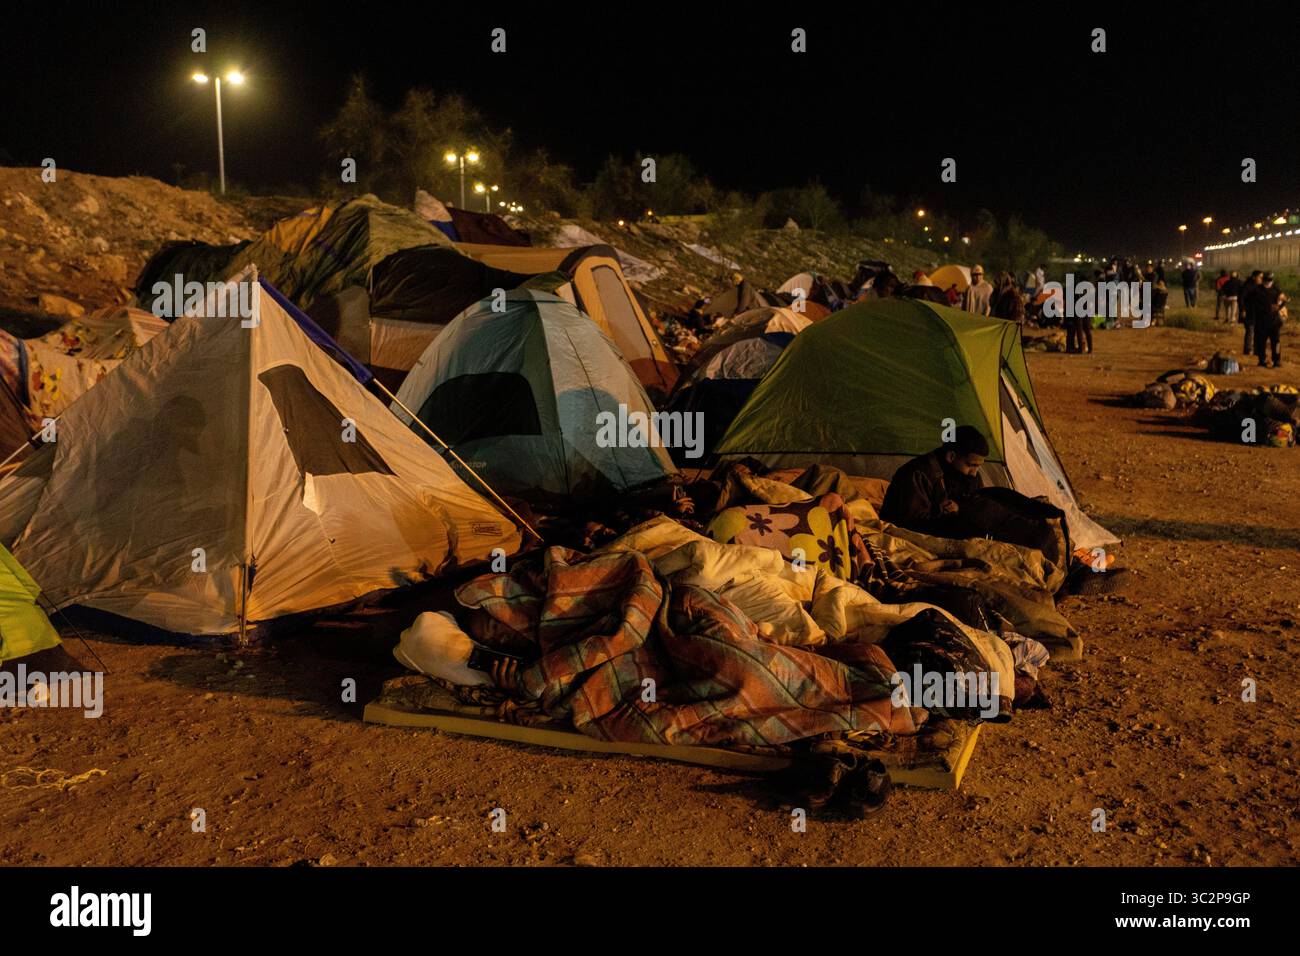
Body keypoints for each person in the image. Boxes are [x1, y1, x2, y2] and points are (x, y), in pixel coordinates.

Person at [878, 425, 987, 537]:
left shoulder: (972, 476)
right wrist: (943, 512)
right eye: (971, 465)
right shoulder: (916, 473)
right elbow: (913, 522)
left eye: (978, 466)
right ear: (951, 456)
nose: (974, 473)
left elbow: (980, 507)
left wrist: (960, 509)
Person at [1256, 273, 1286, 368]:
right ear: (1263, 280)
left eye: (1270, 280)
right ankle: (1262, 360)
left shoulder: (1276, 290)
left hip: (1274, 322)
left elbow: (1284, 299)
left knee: (1276, 342)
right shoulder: (1257, 290)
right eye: (1267, 280)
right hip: (1262, 322)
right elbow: (1253, 304)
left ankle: (1277, 360)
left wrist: (1279, 306)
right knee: (1261, 342)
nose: (1269, 282)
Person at [1239, 270, 1265, 355]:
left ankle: (1256, 350)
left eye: (1262, 277)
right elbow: (1241, 298)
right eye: (1260, 277)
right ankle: (1248, 349)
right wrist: (1242, 310)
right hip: (1249, 312)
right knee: (1250, 331)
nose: (1261, 279)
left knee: (1258, 332)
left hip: (1258, 313)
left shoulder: (1260, 287)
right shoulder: (1247, 286)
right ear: (1254, 277)